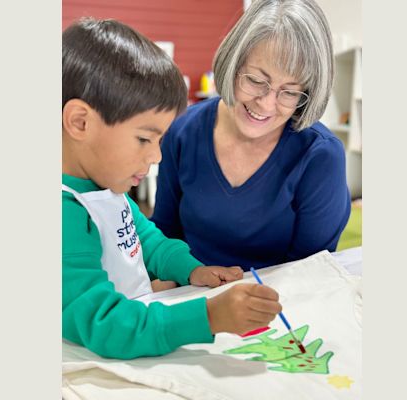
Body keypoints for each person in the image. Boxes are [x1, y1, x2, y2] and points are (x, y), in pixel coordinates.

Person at [62, 18, 282, 360]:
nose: (157, 155)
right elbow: (104, 323)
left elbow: (147, 241)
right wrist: (208, 317)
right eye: (144, 138)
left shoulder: (105, 188)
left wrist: (192, 269)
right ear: (80, 122)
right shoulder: (64, 214)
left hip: (134, 339)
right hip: (95, 362)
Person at [151, 0, 351, 271]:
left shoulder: (320, 156)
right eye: (256, 80)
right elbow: (164, 235)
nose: (266, 104)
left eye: (290, 92)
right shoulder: (183, 132)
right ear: (233, 62)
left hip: (275, 303)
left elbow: (311, 272)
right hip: (193, 297)